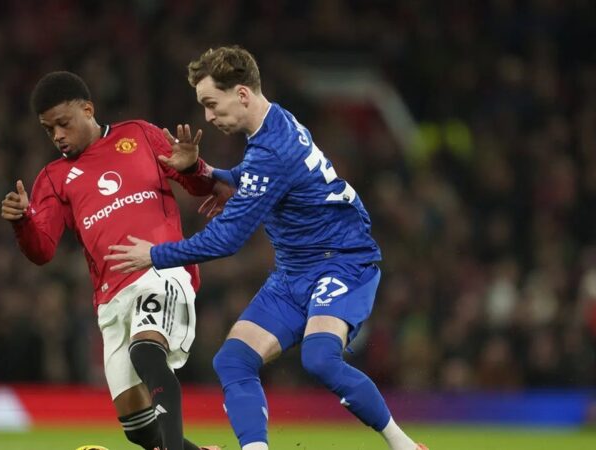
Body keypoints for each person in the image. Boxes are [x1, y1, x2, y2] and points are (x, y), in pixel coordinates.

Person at [105, 47, 428, 450]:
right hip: (295, 271)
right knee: (233, 360)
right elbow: (250, 177)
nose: (207, 116)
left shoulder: (272, 150)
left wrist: (154, 256)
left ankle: (404, 444)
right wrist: (198, 170)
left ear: (241, 94)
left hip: (342, 263)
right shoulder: (274, 124)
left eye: (211, 103)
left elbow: (227, 238)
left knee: (320, 358)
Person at [1, 71, 221, 450]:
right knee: (138, 427)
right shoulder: (53, 178)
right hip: (110, 298)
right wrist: (23, 222)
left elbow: (199, 188)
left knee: (147, 352)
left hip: (159, 270)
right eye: (48, 129)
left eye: (63, 124)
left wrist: (190, 167)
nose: (57, 136)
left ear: (88, 109)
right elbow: (42, 251)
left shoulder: (137, 134)